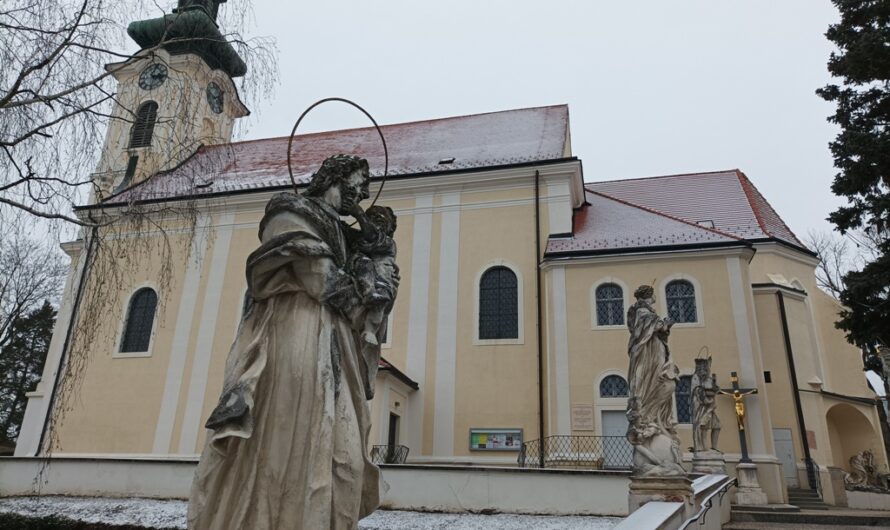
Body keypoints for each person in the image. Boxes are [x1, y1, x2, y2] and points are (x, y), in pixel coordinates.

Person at [188, 154, 390, 530]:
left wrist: (377, 262)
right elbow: (322, 281)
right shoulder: (290, 213)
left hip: (336, 342)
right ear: (336, 176)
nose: (364, 191)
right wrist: (363, 290)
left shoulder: (344, 234)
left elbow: (357, 290)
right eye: (359, 181)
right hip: (294, 333)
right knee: (288, 434)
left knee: (342, 450)